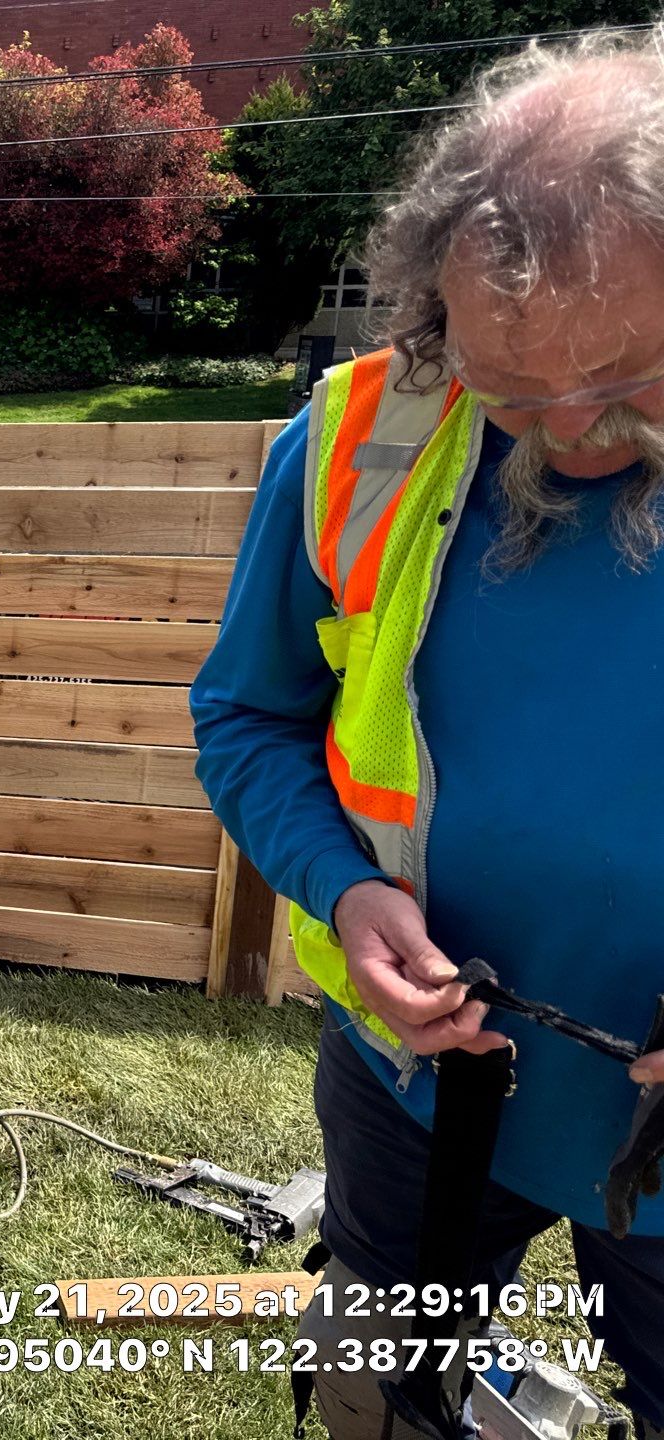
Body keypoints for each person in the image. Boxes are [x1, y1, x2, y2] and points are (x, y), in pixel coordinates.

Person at [189, 25, 664, 1439]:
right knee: (379, 1397)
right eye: (513, 387)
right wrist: (343, 887)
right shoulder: (355, 435)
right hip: (416, 1088)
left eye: (632, 376)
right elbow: (247, 715)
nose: (570, 433)